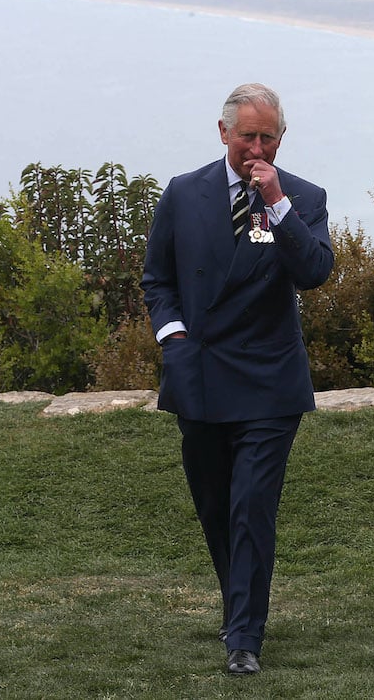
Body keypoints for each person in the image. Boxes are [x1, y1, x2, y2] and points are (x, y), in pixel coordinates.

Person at [141, 83, 334, 675]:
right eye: (246, 135)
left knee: (252, 505)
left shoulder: (301, 196)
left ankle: (244, 635)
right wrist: (172, 338)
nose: (256, 146)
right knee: (215, 504)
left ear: (280, 138)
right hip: (198, 373)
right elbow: (158, 280)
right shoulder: (182, 194)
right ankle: (239, 608)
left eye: (267, 137)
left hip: (269, 378)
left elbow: (315, 271)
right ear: (223, 132)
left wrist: (277, 204)